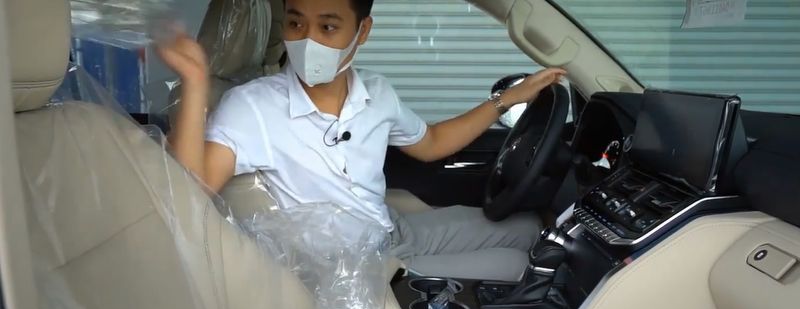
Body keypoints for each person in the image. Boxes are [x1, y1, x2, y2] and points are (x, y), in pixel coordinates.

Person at [158, 0, 566, 281]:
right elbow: (193, 186)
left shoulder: (376, 92)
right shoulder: (252, 106)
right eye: (296, 23)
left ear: (363, 30)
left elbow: (432, 142)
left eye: (328, 27)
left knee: (532, 228)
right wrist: (195, 80)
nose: (308, 41)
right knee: (520, 265)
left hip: (391, 231)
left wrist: (507, 99)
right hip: (358, 270)